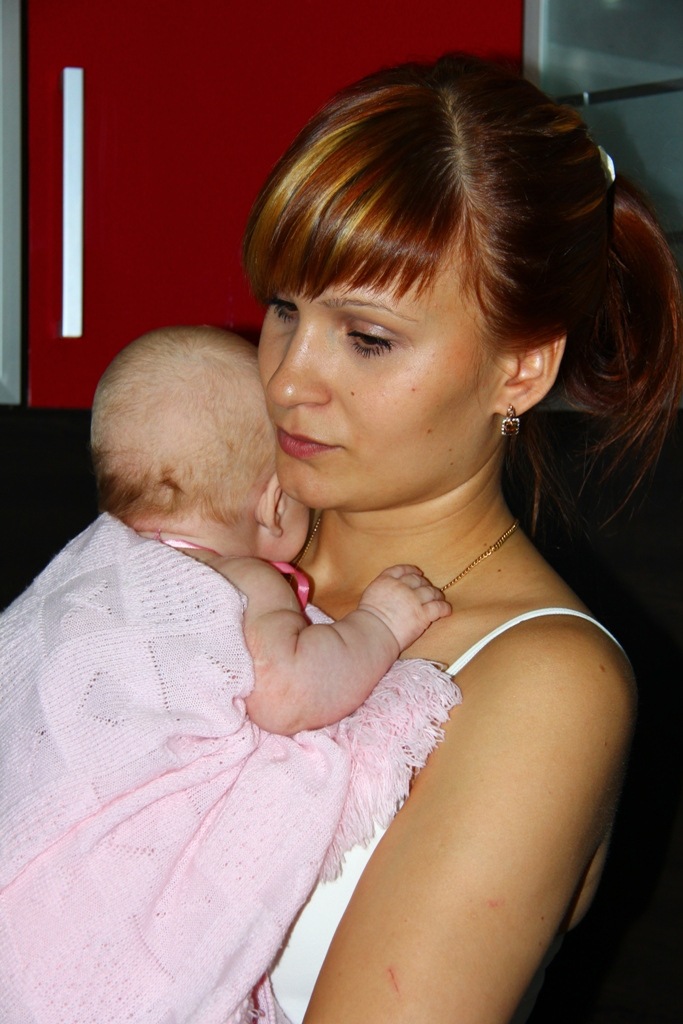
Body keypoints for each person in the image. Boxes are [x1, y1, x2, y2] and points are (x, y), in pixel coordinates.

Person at [241, 52, 683, 1023]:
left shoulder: (546, 684)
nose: (285, 379)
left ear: (519, 370)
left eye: (366, 338)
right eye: (283, 309)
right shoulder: (206, 547)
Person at [0, 325, 458, 1023]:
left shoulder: (82, 568)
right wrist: (380, 624)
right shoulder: (237, 581)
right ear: (274, 504)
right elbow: (288, 690)